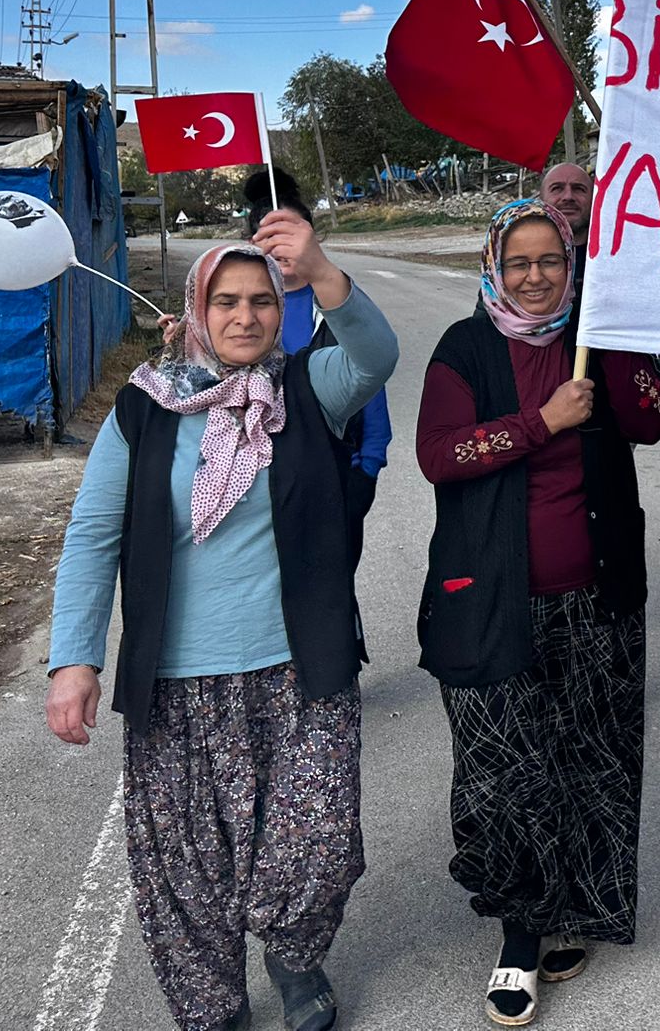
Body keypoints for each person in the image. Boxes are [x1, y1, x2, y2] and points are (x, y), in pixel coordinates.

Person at [45, 213, 399, 1031]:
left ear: (284, 308)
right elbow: (94, 535)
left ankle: (295, 953)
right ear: (198, 312)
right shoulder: (145, 410)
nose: (246, 317)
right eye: (227, 302)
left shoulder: (311, 389)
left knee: (316, 846)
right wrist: (75, 659)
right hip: (176, 684)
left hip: (299, 668)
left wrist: (322, 267)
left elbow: (376, 353)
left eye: (264, 301)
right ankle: (213, 1007)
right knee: (187, 872)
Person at [414, 199, 660, 1028]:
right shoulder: (464, 349)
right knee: (505, 775)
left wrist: (620, 334)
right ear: (494, 265)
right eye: (518, 262)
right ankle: (520, 937)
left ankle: (580, 908)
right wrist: (541, 422)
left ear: (572, 265)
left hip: (597, 597)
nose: (533, 277)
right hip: (491, 603)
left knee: (593, 757)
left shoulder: (592, 336)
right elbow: (440, 456)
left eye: (550, 262)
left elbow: (653, 422)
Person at [243, 168, 391, 537]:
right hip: (255, 488)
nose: (283, 246)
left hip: (338, 478)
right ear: (252, 242)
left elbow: (372, 383)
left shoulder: (340, 303)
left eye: (293, 234)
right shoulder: (235, 315)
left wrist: (366, 468)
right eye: (271, 234)